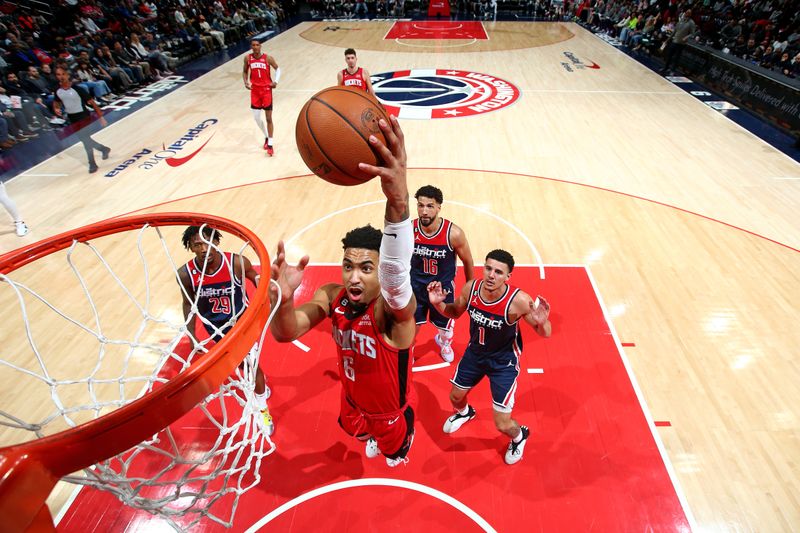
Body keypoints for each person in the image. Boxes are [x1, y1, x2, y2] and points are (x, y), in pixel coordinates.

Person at [270, 116, 416, 467]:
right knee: (353, 430)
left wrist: (398, 199)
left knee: (394, 453)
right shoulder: (332, 295)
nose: (354, 276)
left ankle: (399, 444)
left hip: (388, 412)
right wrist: (284, 300)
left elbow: (396, 276)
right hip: (351, 400)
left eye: (367, 269)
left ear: (379, 272)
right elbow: (285, 332)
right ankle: (366, 435)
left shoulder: (391, 313)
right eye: (348, 265)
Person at [427, 249, 551, 465]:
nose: (491, 275)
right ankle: (465, 413)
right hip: (475, 354)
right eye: (488, 268)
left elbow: (545, 333)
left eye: (498, 272)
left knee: (502, 425)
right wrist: (438, 304)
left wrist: (542, 322)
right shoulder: (471, 288)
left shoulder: (519, 301)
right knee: (455, 397)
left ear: (508, 277)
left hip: (503, 363)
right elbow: (454, 312)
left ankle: (520, 436)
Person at [178, 225, 274, 435]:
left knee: (251, 366)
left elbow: (258, 280)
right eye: (197, 244)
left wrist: (267, 301)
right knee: (242, 365)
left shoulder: (237, 263)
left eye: (207, 242)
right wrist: (191, 335)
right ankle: (262, 391)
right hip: (216, 330)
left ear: (217, 241)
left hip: (241, 324)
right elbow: (188, 304)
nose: (204, 248)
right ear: (191, 248)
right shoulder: (186, 274)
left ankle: (262, 408)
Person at [411, 185, 474, 362]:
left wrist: (470, 289)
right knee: (411, 326)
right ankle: (409, 349)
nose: (424, 211)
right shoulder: (409, 229)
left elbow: (468, 261)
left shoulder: (453, 233)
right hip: (415, 287)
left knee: (445, 328)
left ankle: (444, 343)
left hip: (442, 290)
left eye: (429, 206)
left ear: (439, 207)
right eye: (420, 205)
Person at [53, 65, 110, 174]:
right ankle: (103, 149)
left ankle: (92, 163)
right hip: (72, 118)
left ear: (67, 75)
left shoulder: (77, 89)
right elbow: (56, 103)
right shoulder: (57, 91)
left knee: (85, 141)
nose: (61, 77)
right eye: (58, 75)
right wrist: (56, 109)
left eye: (63, 74)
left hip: (83, 116)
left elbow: (92, 103)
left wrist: (101, 117)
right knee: (85, 139)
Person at [243, 39, 279, 155]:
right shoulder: (247, 58)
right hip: (255, 91)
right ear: (251, 46)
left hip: (266, 90)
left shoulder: (268, 58)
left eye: (257, 45)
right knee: (257, 118)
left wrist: (276, 81)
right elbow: (244, 71)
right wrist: (245, 82)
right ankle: (266, 136)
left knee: (269, 118)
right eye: (253, 45)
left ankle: (270, 145)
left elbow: (278, 69)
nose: (255, 47)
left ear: (260, 46)